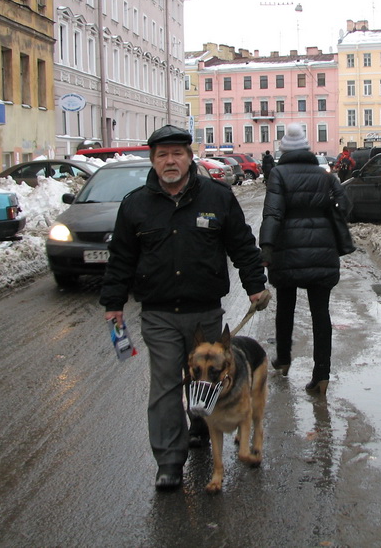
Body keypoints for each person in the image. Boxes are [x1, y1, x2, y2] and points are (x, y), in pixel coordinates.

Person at [100, 124, 268, 491]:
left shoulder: (217, 197)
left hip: (205, 312)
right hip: (159, 314)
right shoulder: (135, 205)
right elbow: (121, 259)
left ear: (190, 159)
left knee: (205, 382)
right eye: (163, 155)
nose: (170, 161)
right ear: (153, 161)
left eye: (178, 153)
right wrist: (113, 303)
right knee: (164, 385)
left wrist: (256, 286)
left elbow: (242, 244)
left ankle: (201, 424)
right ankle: (170, 461)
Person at [258, 123, 350, 396]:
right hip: (322, 250)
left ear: (284, 149)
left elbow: (273, 213)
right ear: (307, 149)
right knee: (320, 313)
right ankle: (321, 374)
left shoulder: (278, 174)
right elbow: (344, 205)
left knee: (285, 306)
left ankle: (283, 359)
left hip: (287, 251)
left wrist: (266, 247)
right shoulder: (324, 175)